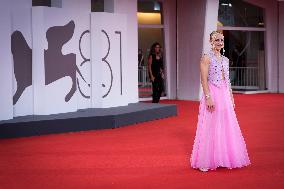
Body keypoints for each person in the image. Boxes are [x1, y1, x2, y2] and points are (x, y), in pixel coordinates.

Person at [190, 31, 251, 172]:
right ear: (211, 41)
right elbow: (203, 79)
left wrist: (231, 97)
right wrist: (208, 97)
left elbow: (227, 80)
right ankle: (205, 160)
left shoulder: (225, 59)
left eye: (221, 40)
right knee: (210, 124)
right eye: (216, 40)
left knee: (225, 124)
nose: (219, 42)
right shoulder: (206, 58)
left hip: (224, 93)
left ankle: (223, 157)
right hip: (212, 92)